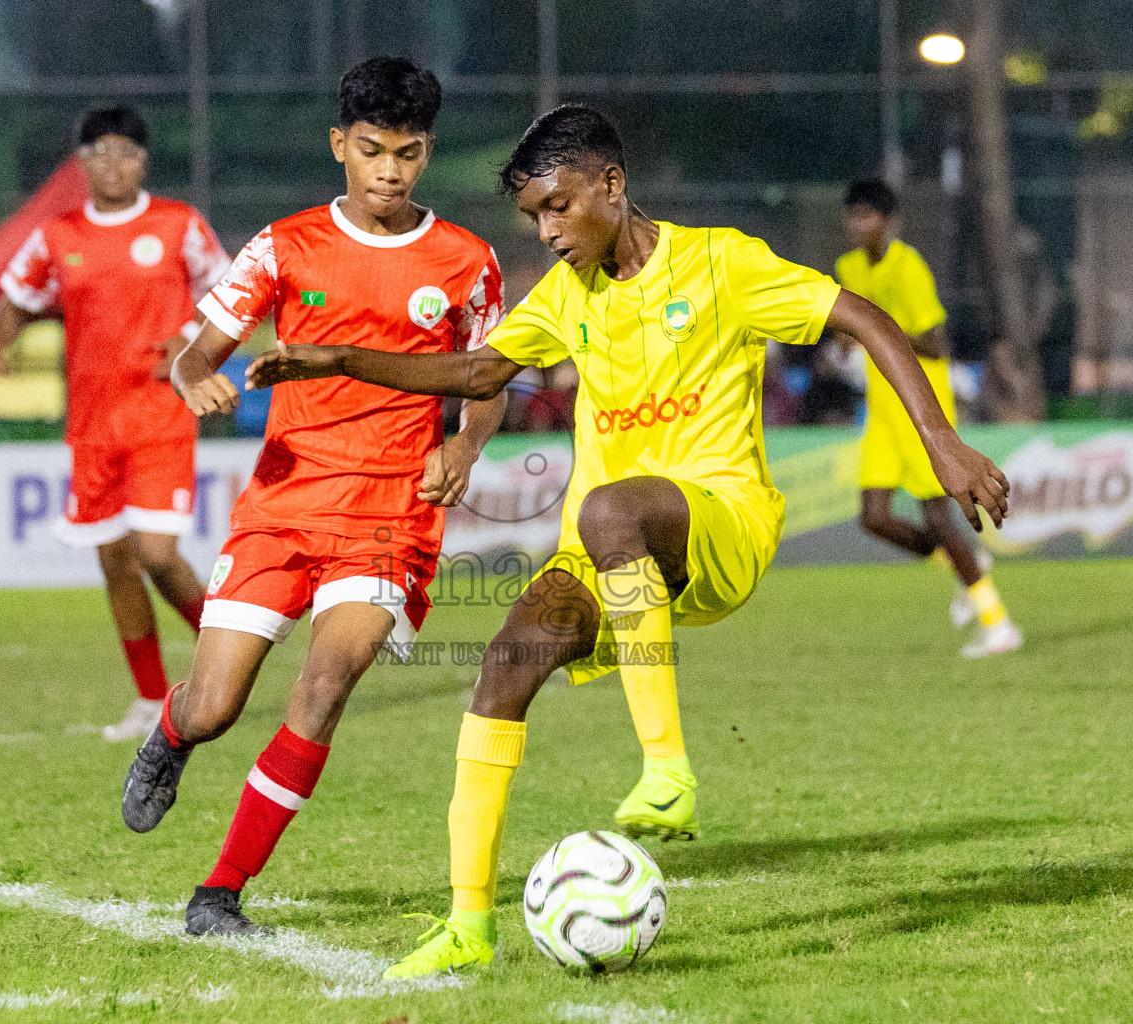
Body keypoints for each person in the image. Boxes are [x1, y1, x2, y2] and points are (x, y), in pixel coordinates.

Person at [247, 104, 1010, 977]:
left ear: (611, 185)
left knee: (612, 507)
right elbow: (476, 371)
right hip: (607, 551)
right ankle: (468, 925)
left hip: (720, 527)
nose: (548, 230)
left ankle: (667, 770)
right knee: (504, 665)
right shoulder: (568, 292)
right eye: (534, 215)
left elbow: (866, 318)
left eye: (559, 207)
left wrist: (943, 444)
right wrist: (341, 358)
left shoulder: (722, 262)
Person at [117, 57, 509, 937]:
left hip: (390, 516)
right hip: (283, 507)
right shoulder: (283, 246)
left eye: (407, 154)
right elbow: (194, 351)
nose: (389, 172)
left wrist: (466, 439)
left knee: (328, 681)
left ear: (427, 153)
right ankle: (173, 736)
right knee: (215, 704)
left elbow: (489, 378)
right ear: (340, 145)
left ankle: (220, 892)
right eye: (371, 151)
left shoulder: (465, 263)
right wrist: (192, 383)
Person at [0, 106, 231, 741]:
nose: (114, 164)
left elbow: (231, 293)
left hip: (160, 414)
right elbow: (15, 293)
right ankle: (151, 699)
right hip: (93, 426)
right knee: (117, 563)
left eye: (127, 152)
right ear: (81, 163)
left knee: (156, 552)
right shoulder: (57, 234)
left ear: (144, 160)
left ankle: (231, 660)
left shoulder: (179, 225)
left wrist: (186, 341)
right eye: (100, 152)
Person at [836, 178, 1020, 659]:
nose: (859, 226)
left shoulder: (909, 267)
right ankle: (961, 560)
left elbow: (937, 344)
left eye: (868, 216)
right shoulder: (848, 268)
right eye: (853, 216)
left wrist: (876, 333)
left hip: (922, 409)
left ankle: (998, 623)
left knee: (939, 516)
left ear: (889, 222)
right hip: (881, 410)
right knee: (873, 518)